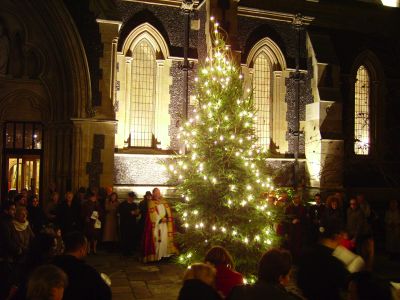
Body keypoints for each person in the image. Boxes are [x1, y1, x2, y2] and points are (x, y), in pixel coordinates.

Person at [297, 220, 349, 300]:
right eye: (343, 235)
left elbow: (300, 282)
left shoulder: (306, 255)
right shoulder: (335, 263)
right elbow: (347, 285)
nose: (343, 238)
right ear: (337, 236)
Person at [52, 231, 111, 300]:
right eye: (85, 248)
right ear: (81, 249)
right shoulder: (87, 272)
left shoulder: (52, 267)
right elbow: (105, 295)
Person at [228, 248, 299, 300]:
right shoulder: (287, 297)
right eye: (288, 275)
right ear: (280, 277)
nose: (289, 279)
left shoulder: (238, 292)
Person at [143, 188, 178, 262]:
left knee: (165, 239)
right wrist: (160, 219)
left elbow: (168, 212)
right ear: (153, 194)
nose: (158, 194)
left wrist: (167, 218)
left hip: (165, 224)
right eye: (156, 193)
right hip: (157, 225)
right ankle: (158, 256)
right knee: (158, 241)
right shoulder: (151, 203)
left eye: (158, 192)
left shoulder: (164, 202)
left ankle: (165, 255)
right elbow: (153, 214)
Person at [284, 194, 307, 261]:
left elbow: (305, 219)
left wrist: (299, 220)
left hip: (299, 230)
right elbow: (285, 219)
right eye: (295, 198)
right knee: (291, 245)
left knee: (298, 246)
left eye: (297, 198)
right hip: (291, 230)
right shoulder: (288, 207)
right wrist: (291, 222)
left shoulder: (303, 208)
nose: (296, 199)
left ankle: (298, 260)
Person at [118, 191, 140, 256]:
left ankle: (130, 250)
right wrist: (130, 213)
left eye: (132, 198)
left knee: (131, 237)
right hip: (124, 224)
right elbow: (120, 213)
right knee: (124, 237)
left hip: (132, 224)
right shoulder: (122, 204)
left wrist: (137, 213)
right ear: (128, 197)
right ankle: (124, 251)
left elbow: (136, 214)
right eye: (130, 197)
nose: (131, 199)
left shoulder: (134, 205)